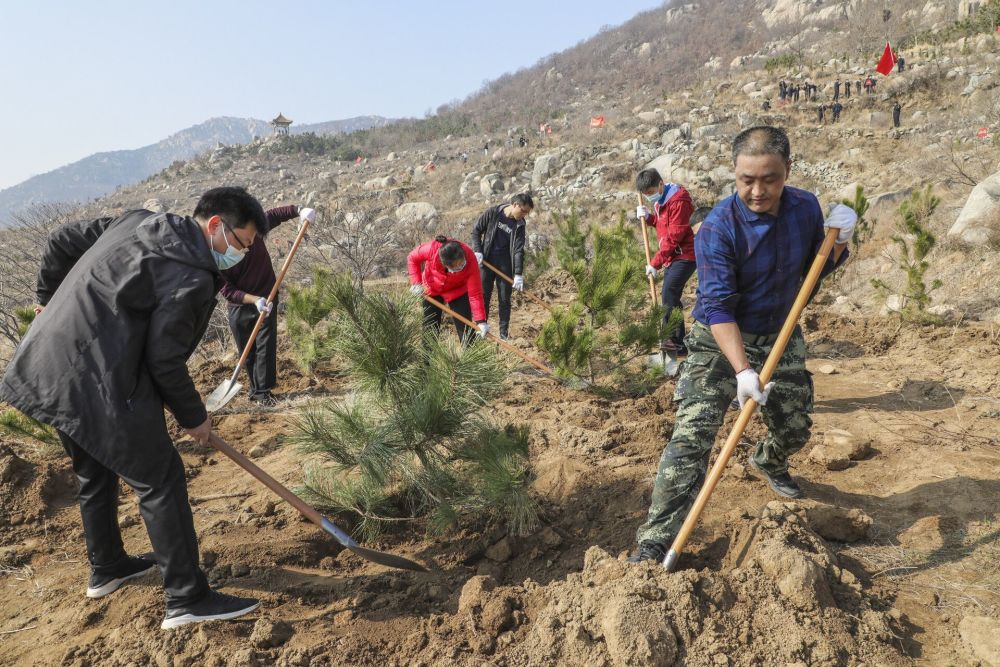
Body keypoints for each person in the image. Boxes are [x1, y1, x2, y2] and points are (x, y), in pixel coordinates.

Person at [1, 187, 270, 627]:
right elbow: (163, 360)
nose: (239, 256)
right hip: (95, 375)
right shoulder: (193, 277)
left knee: (95, 465)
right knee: (160, 475)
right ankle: (188, 597)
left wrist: (46, 298)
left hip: (47, 362)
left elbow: (61, 239)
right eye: (240, 244)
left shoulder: (136, 221)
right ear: (216, 226)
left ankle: (106, 567)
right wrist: (194, 416)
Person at [628, 126, 856, 564]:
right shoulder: (718, 228)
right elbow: (715, 307)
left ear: (788, 170)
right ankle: (656, 538)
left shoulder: (806, 208)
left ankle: (768, 459)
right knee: (691, 438)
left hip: (780, 334)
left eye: (769, 178)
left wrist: (841, 243)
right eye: (746, 179)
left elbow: (817, 269)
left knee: (795, 427)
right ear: (734, 174)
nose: (757, 190)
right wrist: (743, 370)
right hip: (720, 339)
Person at [219, 205, 315, 406]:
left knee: (265, 346)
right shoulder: (219, 255)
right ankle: (255, 390)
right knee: (247, 350)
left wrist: (299, 210)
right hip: (240, 305)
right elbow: (227, 290)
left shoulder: (251, 230)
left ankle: (263, 393)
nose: (248, 242)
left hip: (267, 297)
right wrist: (253, 300)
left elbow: (274, 215)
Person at [636, 169, 696, 366]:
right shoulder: (661, 201)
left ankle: (673, 341)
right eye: (646, 195)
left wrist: (655, 262)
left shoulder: (679, 201)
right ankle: (677, 342)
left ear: (661, 184)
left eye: (652, 191)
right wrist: (650, 218)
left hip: (686, 254)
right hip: (673, 256)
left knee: (669, 293)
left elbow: (674, 236)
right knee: (670, 296)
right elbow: (664, 226)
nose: (650, 196)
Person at [470, 193, 533, 340]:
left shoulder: (520, 224)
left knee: (504, 299)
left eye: (527, 213)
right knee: (484, 295)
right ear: (515, 205)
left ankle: (504, 333)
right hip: (486, 260)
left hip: (505, 264)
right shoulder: (494, 212)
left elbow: (518, 249)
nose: (524, 215)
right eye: (523, 210)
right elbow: (476, 230)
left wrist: (518, 273)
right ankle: (481, 327)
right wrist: (478, 251)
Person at [408, 235, 489, 342]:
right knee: (430, 328)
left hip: (458, 290)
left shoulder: (470, 259)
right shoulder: (431, 249)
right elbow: (412, 258)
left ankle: (471, 357)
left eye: (462, 263)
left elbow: (475, 294)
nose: (461, 267)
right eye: (456, 267)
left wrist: (481, 321)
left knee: (466, 329)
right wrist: (416, 283)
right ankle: (427, 358)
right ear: (445, 265)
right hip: (431, 288)